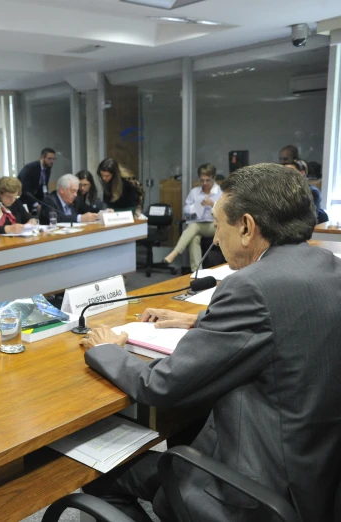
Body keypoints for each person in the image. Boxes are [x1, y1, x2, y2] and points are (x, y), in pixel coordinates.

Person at [80, 163, 340, 522]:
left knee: (101, 479)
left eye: (219, 224)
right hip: (317, 476)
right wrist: (199, 320)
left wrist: (106, 348)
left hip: (255, 490)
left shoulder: (249, 287)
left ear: (247, 227)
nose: (215, 238)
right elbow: (288, 323)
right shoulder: (328, 265)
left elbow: (160, 385)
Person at [163, 163, 221, 270]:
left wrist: (213, 204)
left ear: (214, 178)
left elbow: (227, 211)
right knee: (194, 238)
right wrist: (196, 207)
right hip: (198, 224)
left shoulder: (220, 192)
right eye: (202, 180)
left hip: (215, 226)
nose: (204, 183)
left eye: (208, 180)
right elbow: (186, 210)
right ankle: (197, 272)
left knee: (194, 227)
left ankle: (174, 253)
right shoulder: (194, 192)